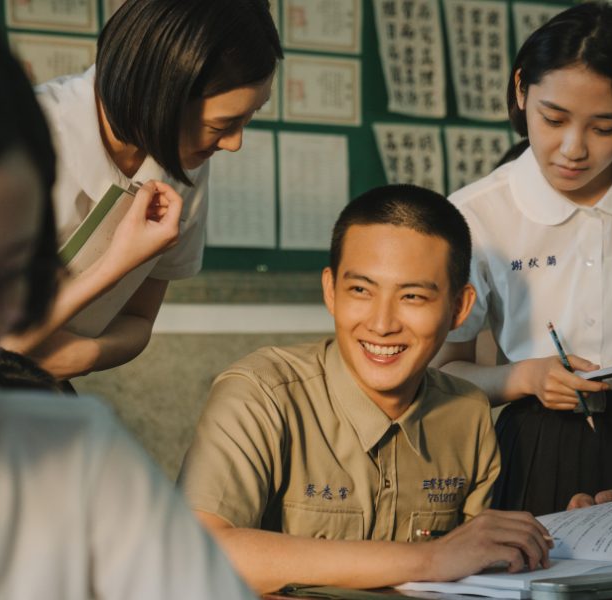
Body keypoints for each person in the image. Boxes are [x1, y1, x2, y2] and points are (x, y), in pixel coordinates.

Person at [0, 1, 255, 597]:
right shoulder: (48, 128)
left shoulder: (79, 459)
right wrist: (117, 261)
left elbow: (131, 326)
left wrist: (75, 353)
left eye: (8, 281)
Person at [433, 2, 612, 570]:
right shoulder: (478, 212)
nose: (573, 148)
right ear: (521, 91)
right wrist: (522, 376)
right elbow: (446, 373)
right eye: (553, 117)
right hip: (540, 443)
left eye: (604, 127)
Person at [178, 184, 554, 593]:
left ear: (460, 309)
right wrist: (430, 558)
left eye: (412, 296)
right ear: (330, 291)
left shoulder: (467, 413)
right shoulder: (261, 395)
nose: (381, 323)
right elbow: (198, 551)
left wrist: (557, 538)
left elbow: (477, 565)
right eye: (361, 290)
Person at [0, 0, 283, 381]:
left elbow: (138, 320)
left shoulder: (184, 163)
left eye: (249, 117)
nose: (234, 143)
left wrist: (86, 355)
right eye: (222, 126)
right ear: (159, 95)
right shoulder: (18, 140)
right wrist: (115, 265)